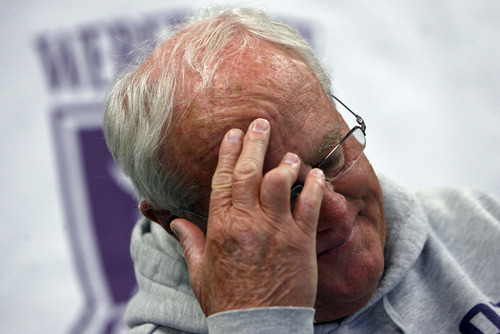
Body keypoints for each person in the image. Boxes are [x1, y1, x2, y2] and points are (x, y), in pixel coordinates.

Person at [103, 6, 500, 334]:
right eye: (278, 196)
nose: (334, 211)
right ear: (173, 223)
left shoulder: (480, 224)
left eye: (331, 158)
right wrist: (258, 323)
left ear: (346, 124)